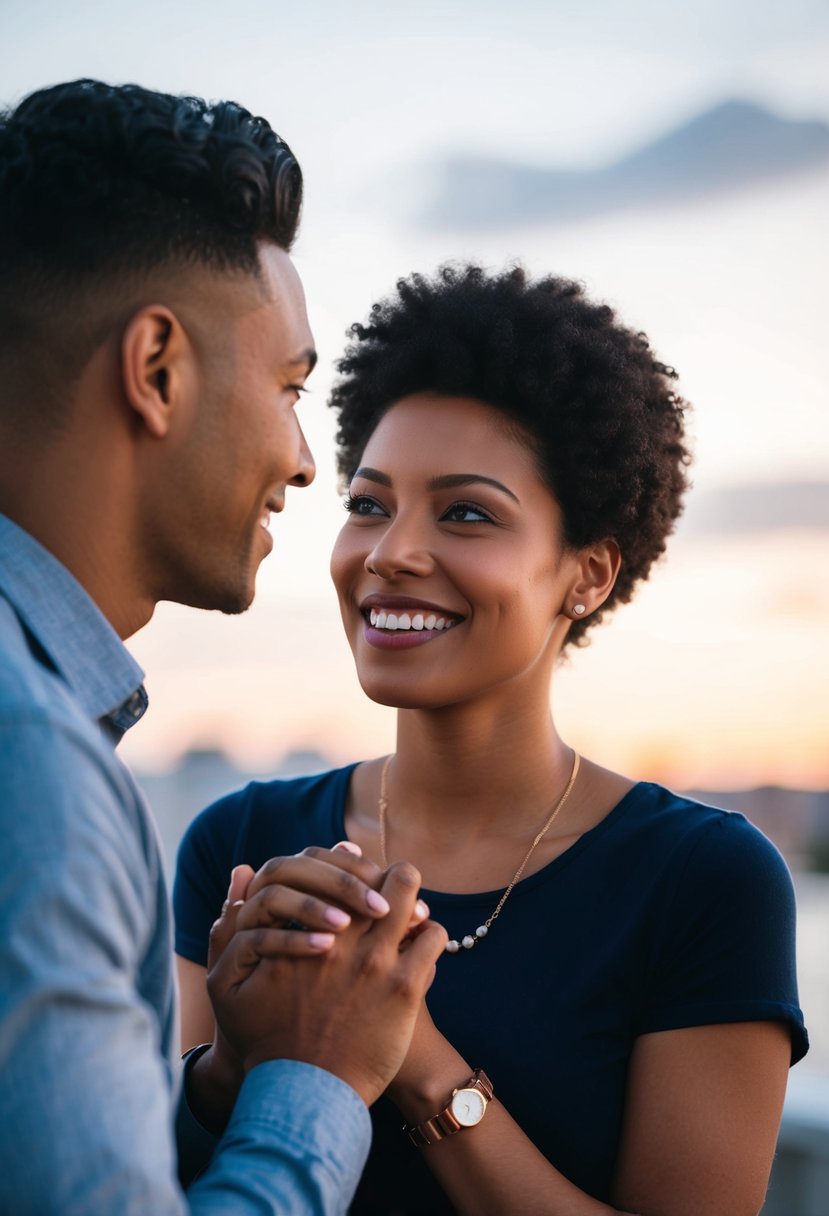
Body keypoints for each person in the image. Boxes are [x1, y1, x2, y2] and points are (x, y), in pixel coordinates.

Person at [175, 264, 809, 1216]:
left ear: (587, 574)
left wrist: (414, 1061)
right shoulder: (238, 844)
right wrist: (227, 1065)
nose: (390, 552)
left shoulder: (704, 884)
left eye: (466, 512)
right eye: (369, 503)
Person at [0, 79, 447, 1215]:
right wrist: (319, 1077)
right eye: (291, 387)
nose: (305, 461)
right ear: (156, 369)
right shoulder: (36, 761)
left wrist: (226, 1086)